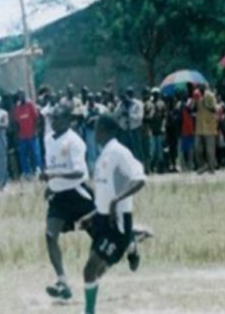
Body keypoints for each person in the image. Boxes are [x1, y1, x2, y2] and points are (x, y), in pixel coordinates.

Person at [82, 114, 147, 314]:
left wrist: (117, 200)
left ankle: (89, 312)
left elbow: (140, 179)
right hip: (102, 220)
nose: (95, 133)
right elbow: (104, 193)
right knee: (96, 271)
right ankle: (131, 243)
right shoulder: (103, 155)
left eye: (98, 127)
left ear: (106, 130)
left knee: (90, 270)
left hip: (117, 222)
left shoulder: (120, 153)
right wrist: (92, 215)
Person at [40, 105, 94, 301]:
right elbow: (53, 164)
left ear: (68, 120)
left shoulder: (75, 141)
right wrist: (51, 185)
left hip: (78, 195)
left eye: (57, 118)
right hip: (60, 197)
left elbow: (80, 172)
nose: (53, 122)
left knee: (104, 234)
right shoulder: (48, 140)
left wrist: (54, 175)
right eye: (52, 118)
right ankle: (62, 281)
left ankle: (130, 238)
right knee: (50, 235)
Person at [14, 90, 42, 180]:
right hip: (22, 136)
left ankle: (38, 171)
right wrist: (18, 134)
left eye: (21, 94)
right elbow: (17, 122)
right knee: (23, 155)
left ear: (24, 95)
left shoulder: (30, 104)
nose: (20, 96)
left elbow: (36, 118)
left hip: (32, 134)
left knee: (36, 154)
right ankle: (27, 172)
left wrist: (35, 131)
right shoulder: (18, 106)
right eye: (19, 95)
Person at [194, 86, 218, 174]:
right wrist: (195, 100)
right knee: (197, 148)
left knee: (210, 150)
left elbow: (214, 109)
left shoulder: (210, 96)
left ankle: (211, 169)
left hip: (209, 127)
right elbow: (193, 109)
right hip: (199, 127)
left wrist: (205, 103)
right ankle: (202, 166)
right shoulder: (197, 96)